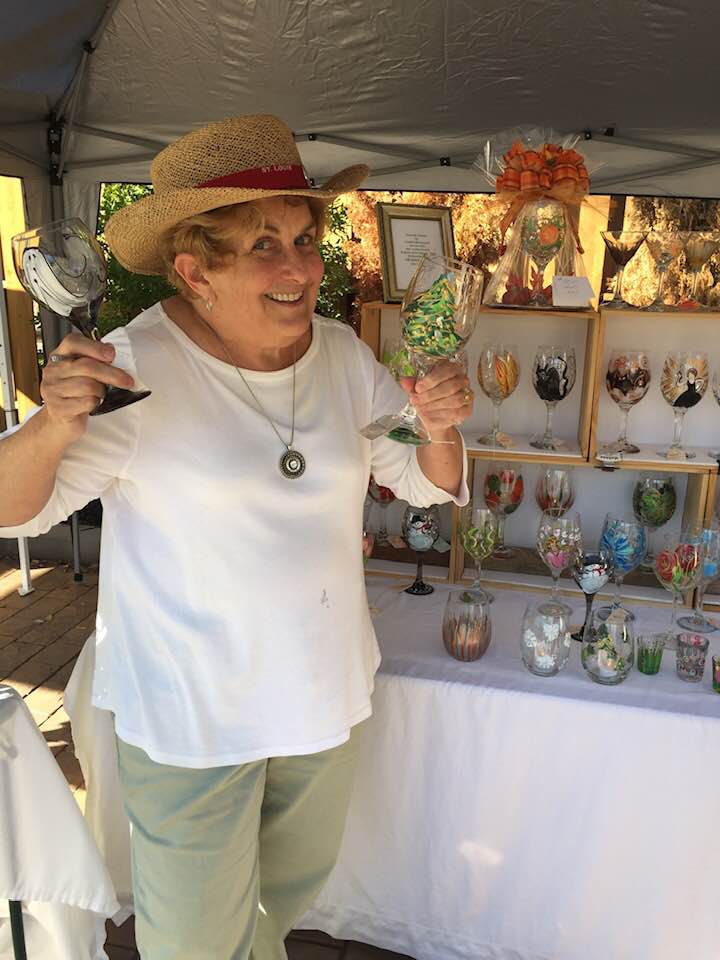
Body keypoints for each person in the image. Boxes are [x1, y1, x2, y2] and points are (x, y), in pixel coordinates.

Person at [0, 114, 472, 960]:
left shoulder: (338, 354)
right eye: (261, 244)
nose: (296, 267)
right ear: (194, 269)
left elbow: (420, 477)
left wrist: (436, 424)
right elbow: (14, 511)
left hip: (321, 695)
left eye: (301, 236)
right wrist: (49, 426)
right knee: (192, 942)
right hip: (192, 719)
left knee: (275, 910)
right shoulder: (130, 367)